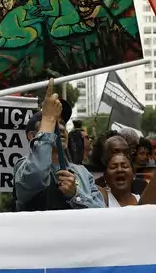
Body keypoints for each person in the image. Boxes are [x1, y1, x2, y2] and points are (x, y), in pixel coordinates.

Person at [13, 79, 104, 210]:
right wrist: (48, 119)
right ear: (32, 136)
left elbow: (101, 213)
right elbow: (37, 174)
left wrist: (75, 194)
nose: (60, 128)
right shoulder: (23, 167)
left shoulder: (82, 173)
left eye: (62, 123)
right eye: (53, 123)